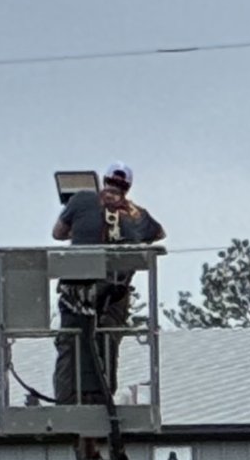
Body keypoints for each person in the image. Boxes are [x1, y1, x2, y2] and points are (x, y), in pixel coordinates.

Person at [51, 163, 165, 404]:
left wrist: (81, 229)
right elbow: (158, 234)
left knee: (71, 342)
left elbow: (58, 234)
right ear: (128, 186)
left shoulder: (82, 199)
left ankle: (67, 399)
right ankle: (103, 398)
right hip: (114, 295)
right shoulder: (139, 216)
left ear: (103, 180)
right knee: (107, 340)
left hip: (76, 291)